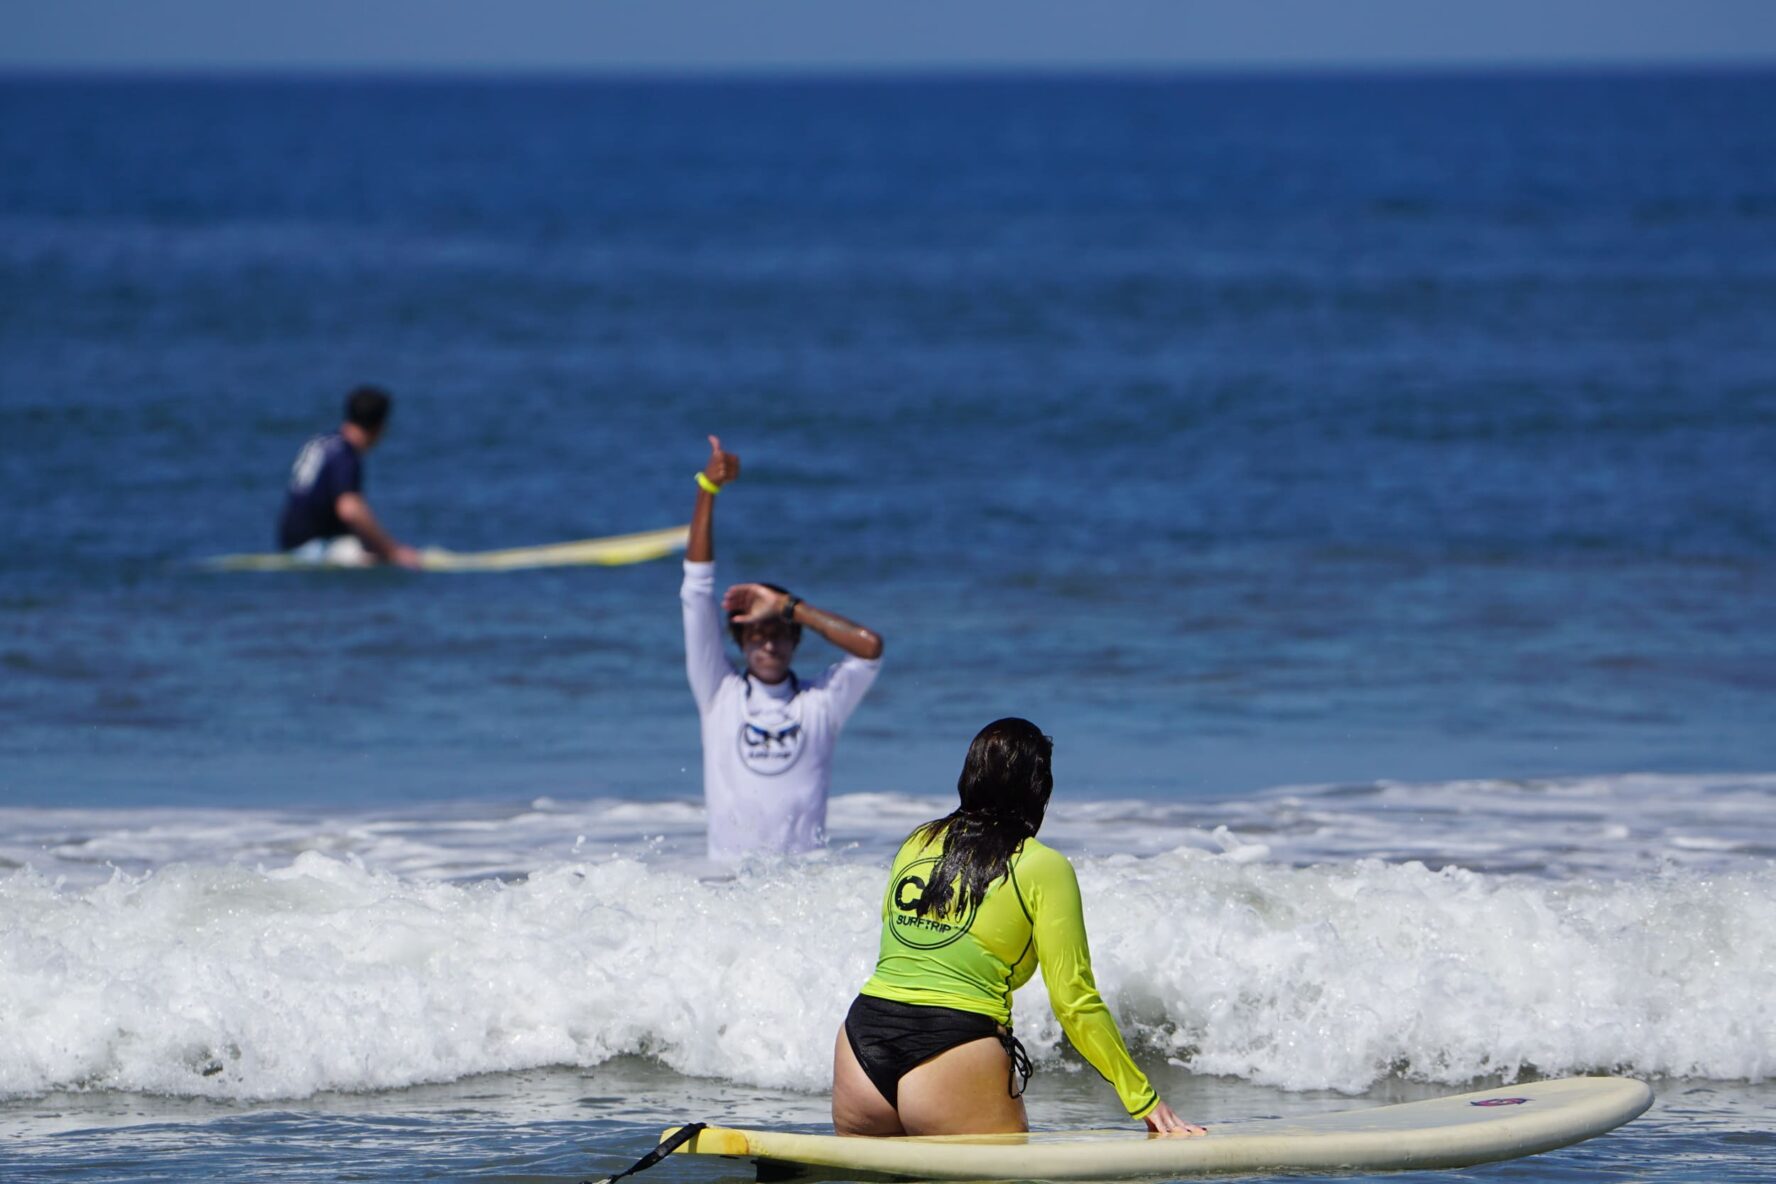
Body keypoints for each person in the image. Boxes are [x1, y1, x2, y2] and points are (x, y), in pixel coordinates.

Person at [833, 718, 1207, 1138]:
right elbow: (1074, 1001)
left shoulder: (918, 841)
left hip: (861, 1046)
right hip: (953, 1051)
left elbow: (902, 946)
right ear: (1038, 789)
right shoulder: (1042, 866)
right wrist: (1144, 1100)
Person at [681, 435, 884, 861]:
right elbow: (696, 592)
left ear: (795, 639)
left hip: (804, 889)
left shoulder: (822, 702)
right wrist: (708, 489)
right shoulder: (719, 695)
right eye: (757, 632)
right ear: (739, 638)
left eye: (779, 631)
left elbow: (870, 648)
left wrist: (790, 608)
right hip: (727, 888)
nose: (769, 641)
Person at [277, 385, 421, 568]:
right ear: (380, 427)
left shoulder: (321, 442)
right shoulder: (345, 455)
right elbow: (350, 509)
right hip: (316, 546)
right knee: (378, 560)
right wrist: (393, 551)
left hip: (290, 541)